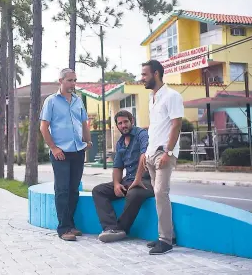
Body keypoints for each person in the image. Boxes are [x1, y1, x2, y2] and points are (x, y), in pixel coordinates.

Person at [39, 68, 92, 241]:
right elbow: (43, 127)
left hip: (78, 150)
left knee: (73, 190)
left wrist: (88, 141)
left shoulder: (78, 101)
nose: (73, 84)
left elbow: (84, 122)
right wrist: (54, 148)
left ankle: (71, 224)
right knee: (62, 190)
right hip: (60, 152)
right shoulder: (51, 101)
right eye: (70, 80)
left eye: (75, 80)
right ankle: (63, 229)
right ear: (60, 81)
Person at [141, 59, 184, 255]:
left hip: (164, 153)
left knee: (160, 193)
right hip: (151, 153)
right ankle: (168, 235)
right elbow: (156, 127)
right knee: (158, 196)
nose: (142, 78)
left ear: (156, 74)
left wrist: (168, 151)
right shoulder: (152, 98)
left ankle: (165, 241)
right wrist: (146, 152)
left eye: (145, 74)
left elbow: (176, 124)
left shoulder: (172, 96)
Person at [92, 110, 154, 243]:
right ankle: (110, 228)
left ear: (132, 121)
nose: (123, 125)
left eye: (125, 122)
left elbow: (145, 155)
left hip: (146, 181)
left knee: (134, 194)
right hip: (129, 181)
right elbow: (118, 167)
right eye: (120, 123)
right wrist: (116, 184)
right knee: (98, 191)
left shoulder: (141, 134)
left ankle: (121, 229)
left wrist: (137, 179)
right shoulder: (120, 142)